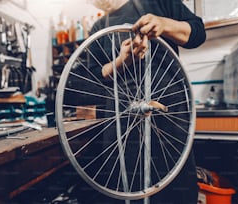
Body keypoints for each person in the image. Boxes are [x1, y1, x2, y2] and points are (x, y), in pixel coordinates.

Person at [86, 0, 206, 203]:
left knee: (176, 185)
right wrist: (123, 59)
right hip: (123, 118)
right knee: (126, 185)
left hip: (168, 111)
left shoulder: (157, 2)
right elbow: (96, 74)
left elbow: (197, 34)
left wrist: (164, 24)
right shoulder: (98, 28)